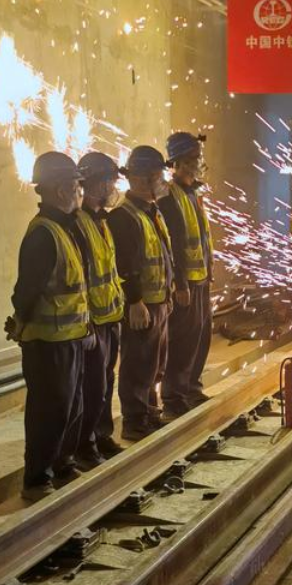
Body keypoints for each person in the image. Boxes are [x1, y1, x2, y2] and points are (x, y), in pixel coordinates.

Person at [6, 152, 90, 502]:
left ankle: (62, 465)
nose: (80, 191)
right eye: (76, 185)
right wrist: (20, 321)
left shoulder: (64, 228)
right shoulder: (43, 234)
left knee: (71, 407)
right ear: (60, 190)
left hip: (69, 337)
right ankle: (37, 478)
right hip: (48, 342)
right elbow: (26, 290)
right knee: (49, 411)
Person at [107, 146, 173, 441]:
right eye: (156, 177)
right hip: (142, 304)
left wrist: (169, 292)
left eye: (160, 176)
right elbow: (125, 264)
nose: (160, 182)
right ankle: (134, 420)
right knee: (138, 363)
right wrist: (135, 300)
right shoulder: (124, 217)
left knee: (155, 363)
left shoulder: (152, 211)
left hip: (158, 301)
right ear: (137, 179)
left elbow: (163, 256)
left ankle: (149, 412)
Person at [158, 132, 214, 420]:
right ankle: (174, 396)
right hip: (186, 283)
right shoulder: (169, 197)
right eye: (191, 159)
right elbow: (174, 245)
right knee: (183, 341)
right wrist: (179, 283)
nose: (197, 163)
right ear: (176, 163)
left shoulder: (194, 194)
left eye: (197, 158)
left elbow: (201, 240)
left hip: (201, 279)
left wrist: (209, 272)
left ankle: (192, 388)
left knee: (201, 337)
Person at [74, 152, 125, 465]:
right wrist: (87, 322)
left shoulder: (101, 222)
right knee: (91, 388)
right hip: (93, 321)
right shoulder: (78, 224)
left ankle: (102, 436)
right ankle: (84, 445)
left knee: (105, 383)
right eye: (109, 181)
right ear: (93, 184)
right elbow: (81, 277)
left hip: (110, 316)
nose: (113, 187)